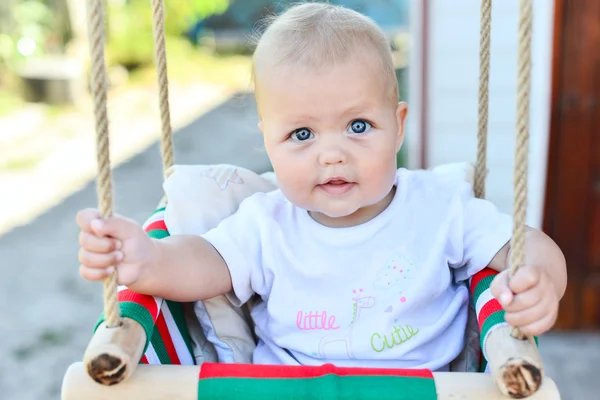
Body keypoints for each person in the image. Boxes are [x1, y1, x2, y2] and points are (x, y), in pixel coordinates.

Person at [76, 3, 566, 371]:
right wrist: (147, 262)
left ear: (398, 128)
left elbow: (525, 245)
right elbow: (202, 263)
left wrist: (542, 280)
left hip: (421, 389)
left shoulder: (440, 206)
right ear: (269, 144)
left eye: (357, 125)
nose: (331, 154)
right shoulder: (266, 222)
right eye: (302, 135)